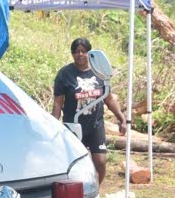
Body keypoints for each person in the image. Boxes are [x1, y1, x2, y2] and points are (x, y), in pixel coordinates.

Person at [53, 37, 128, 185]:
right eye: (76, 52)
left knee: (100, 161)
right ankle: (76, 194)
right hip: (73, 125)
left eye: (83, 51)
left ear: (89, 53)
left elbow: (109, 98)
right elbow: (58, 102)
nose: (80, 54)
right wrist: (54, 124)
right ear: (72, 54)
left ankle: (95, 193)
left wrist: (121, 117)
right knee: (73, 163)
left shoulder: (99, 73)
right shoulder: (65, 74)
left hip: (95, 125)